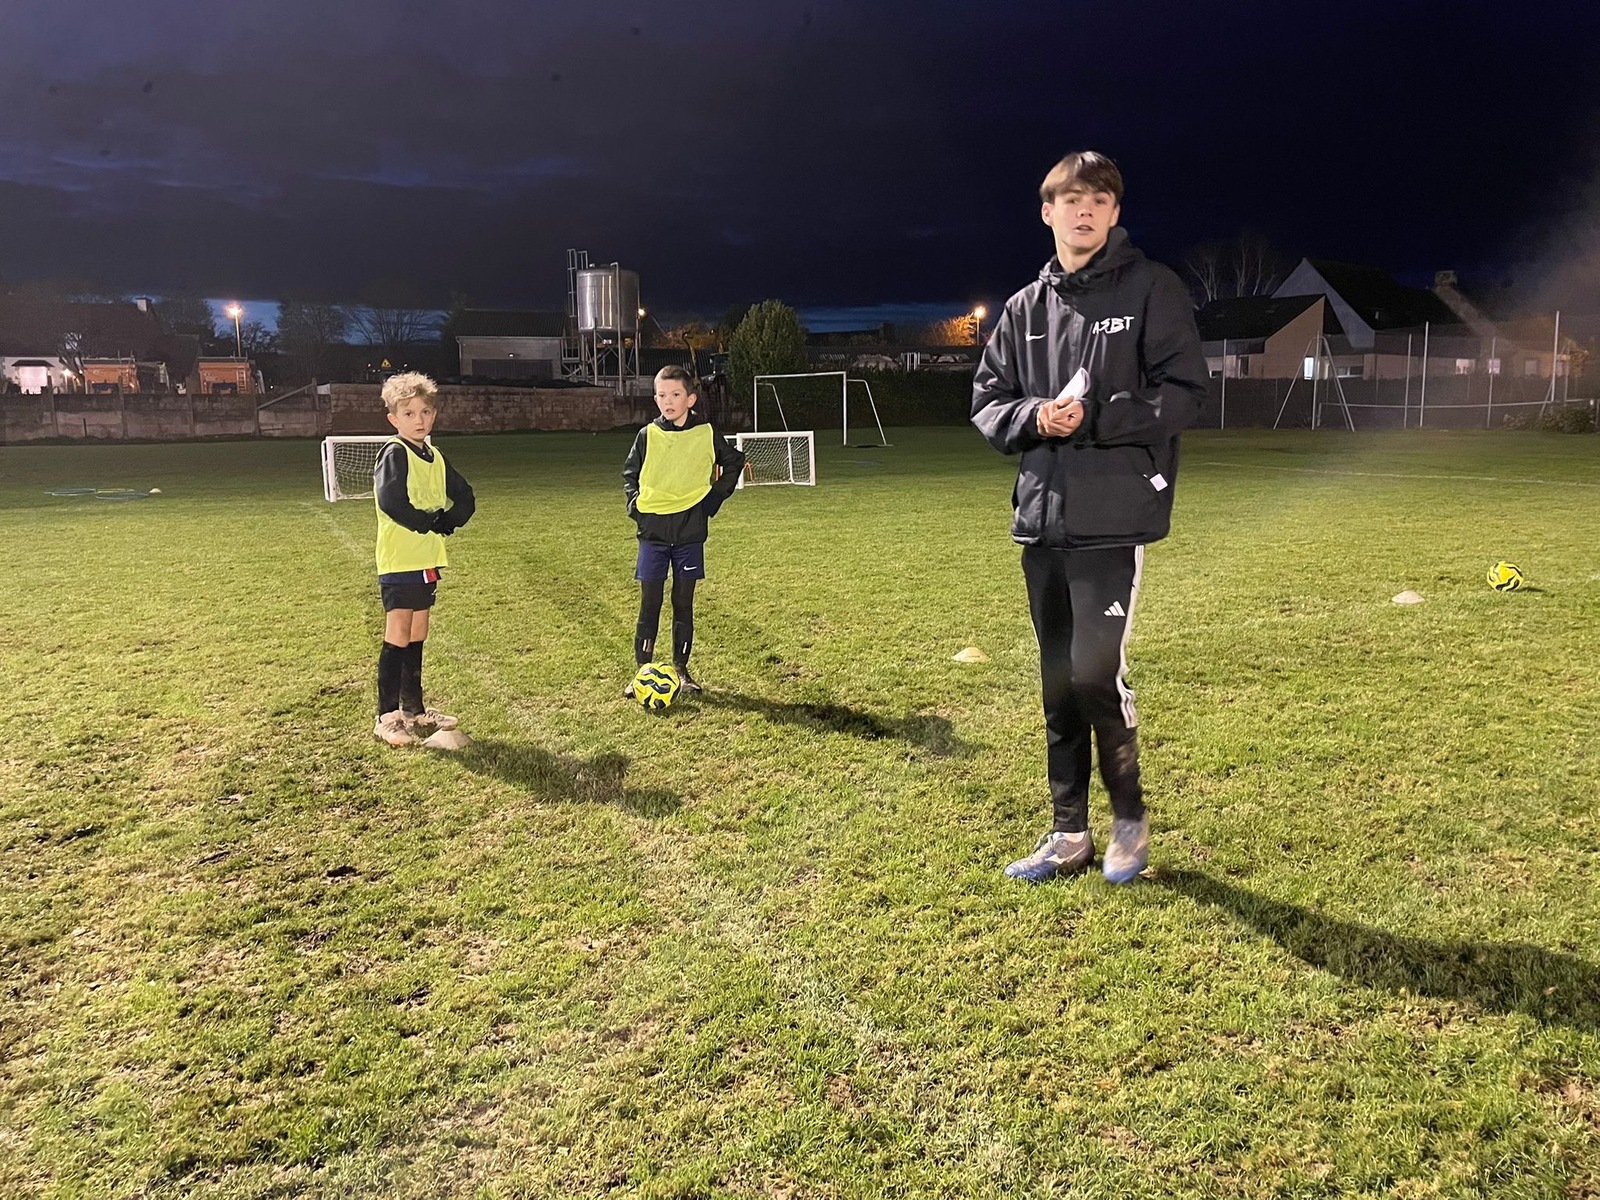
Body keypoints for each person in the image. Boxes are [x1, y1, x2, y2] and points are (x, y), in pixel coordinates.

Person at [971, 150, 1208, 884]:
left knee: (1094, 674)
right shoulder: (1022, 309)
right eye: (1072, 200)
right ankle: (1068, 833)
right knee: (1057, 681)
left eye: (1099, 200)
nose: (1085, 211)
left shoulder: (1151, 288)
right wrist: (1036, 417)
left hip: (1112, 518)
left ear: (1114, 214)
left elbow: (1185, 391)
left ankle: (1128, 822)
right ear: (1047, 212)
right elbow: (987, 401)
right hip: (1042, 520)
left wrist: (1101, 414)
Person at [621, 365, 745, 695]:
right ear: (655, 399)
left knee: (682, 602)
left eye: (675, 394)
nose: (668, 401)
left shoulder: (706, 433)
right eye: (662, 395)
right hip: (653, 534)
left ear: (690, 399)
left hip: (689, 533)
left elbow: (734, 462)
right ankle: (642, 672)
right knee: (650, 603)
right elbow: (630, 474)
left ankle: (681, 670)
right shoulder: (647, 435)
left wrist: (712, 500)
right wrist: (636, 507)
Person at [371, 372, 475, 746]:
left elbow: (465, 496)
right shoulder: (395, 452)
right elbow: (391, 501)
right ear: (394, 419)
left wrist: (449, 521)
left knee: (418, 633)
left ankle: (413, 710)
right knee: (398, 634)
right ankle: (386, 717)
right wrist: (430, 521)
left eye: (425, 412)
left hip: (428, 558)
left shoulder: (435, 456)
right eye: (409, 413)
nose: (419, 420)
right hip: (400, 559)